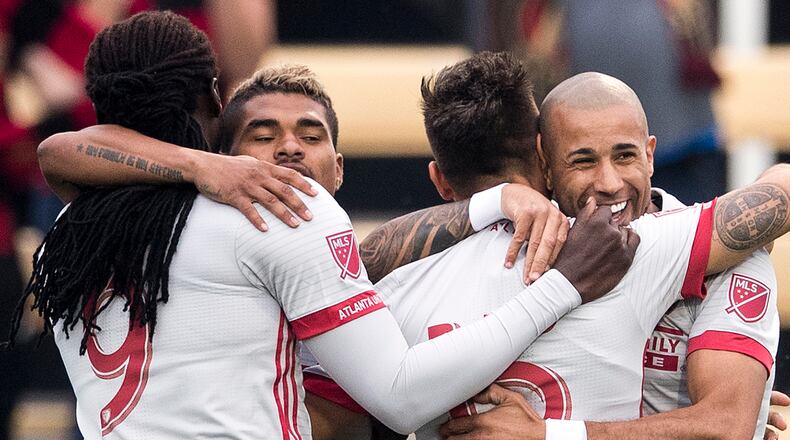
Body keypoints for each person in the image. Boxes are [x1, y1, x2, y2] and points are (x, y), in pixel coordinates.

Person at [39, 51, 790, 440]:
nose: (607, 185)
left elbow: (726, 425)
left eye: (624, 156)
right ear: (540, 158)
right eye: (584, 161)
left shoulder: (382, 292)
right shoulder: (663, 249)